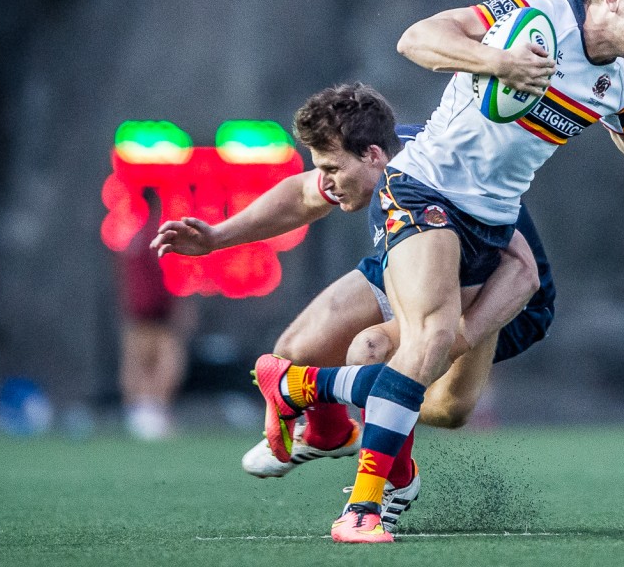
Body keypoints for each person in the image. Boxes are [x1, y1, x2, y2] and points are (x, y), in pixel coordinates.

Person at [252, 0, 624, 543]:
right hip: (422, 190)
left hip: (491, 226)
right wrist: (494, 62)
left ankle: (295, 385)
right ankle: (363, 510)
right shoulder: (530, 15)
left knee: (432, 392)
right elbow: (416, 39)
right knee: (430, 340)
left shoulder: (617, 85)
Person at [150, 83, 555, 530]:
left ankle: (385, 473)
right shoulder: (384, 161)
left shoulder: (451, 172)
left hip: (492, 289)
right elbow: (302, 194)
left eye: (331, 168)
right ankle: (330, 433)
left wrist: (457, 338)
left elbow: (522, 270)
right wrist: (215, 239)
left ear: (375, 156)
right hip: (412, 261)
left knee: (433, 398)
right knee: (296, 348)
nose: (324, 179)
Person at [116, 189, 194, 440]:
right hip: (157, 317)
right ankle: (150, 417)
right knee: (164, 367)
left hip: (138, 315)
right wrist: (176, 310)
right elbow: (166, 280)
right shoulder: (155, 238)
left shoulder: (134, 238)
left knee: (138, 368)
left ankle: (142, 417)